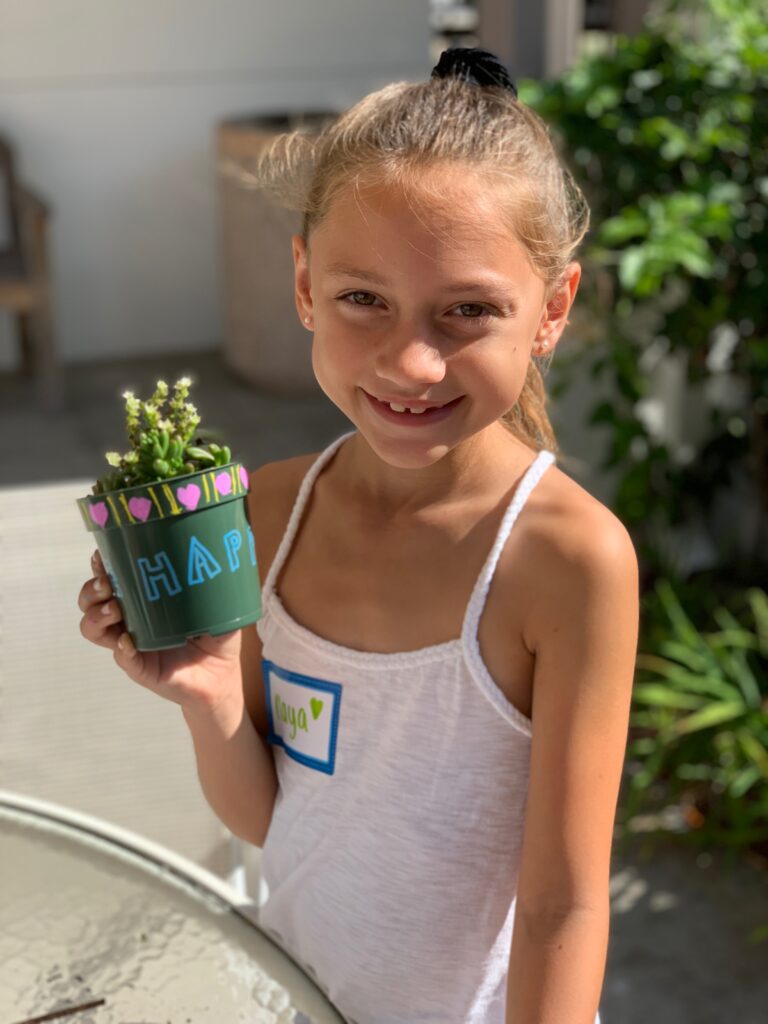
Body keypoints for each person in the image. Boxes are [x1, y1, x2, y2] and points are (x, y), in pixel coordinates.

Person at [78, 48, 639, 1024]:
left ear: (552, 311)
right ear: (305, 284)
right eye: (363, 299)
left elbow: (564, 904)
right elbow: (279, 823)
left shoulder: (566, 561)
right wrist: (211, 698)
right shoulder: (270, 513)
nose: (411, 361)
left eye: (468, 311)